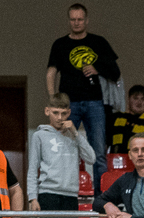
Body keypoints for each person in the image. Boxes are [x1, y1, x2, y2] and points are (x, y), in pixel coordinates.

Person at [46, 3, 119, 183]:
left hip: (95, 102)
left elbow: (115, 72)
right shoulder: (60, 44)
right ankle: (64, 190)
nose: (76, 22)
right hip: (68, 104)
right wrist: (53, 100)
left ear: (86, 20)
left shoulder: (98, 42)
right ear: (68, 21)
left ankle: (101, 196)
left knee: (98, 152)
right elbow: (51, 73)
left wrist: (97, 69)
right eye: (73, 19)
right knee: (63, 148)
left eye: (80, 19)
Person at [108, 85, 144, 153]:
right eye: (135, 98)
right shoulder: (116, 118)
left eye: (143, 99)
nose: (139, 102)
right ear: (129, 100)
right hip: (118, 158)